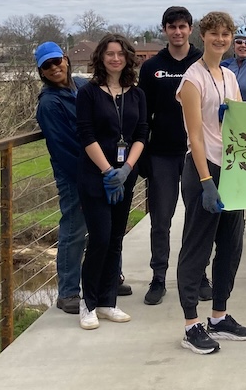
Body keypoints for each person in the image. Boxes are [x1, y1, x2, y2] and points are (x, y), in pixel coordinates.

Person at [176, 11, 246, 355]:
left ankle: (219, 315)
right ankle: (191, 324)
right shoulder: (192, 80)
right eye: (214, 34)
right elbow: (194, 136)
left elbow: (239, 123)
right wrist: (207, 182)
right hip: (203, 169)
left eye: (226, 34)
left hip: (231, 168)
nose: (221, 39)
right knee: (197, 247)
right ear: (202, 36)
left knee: (231, 246)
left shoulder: (228, 76)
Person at [75, 33, 148, 330]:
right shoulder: (89, 93)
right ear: (101, 58)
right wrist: (107, 171)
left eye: (120, 53)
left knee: (117, 239)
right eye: (109, 54)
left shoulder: (137, 94)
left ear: (127, 57)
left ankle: (107, 302)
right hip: (96, 176)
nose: (115, 58)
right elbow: (86, 135)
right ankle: (87, 303)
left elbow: (142, 134)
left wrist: (127, 169)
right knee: (100, 238)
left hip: (124, 176)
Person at [138, 6, 209, 306]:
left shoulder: (203, 63)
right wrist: (142, 154)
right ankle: (158, 277)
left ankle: (199, 275)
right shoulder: (152, 66)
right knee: (161, 220)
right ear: (164, 29)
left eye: (182, 26)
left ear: (190, 29)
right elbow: (143, 115)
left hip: (197, 153)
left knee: (199, 219)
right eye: (172, 27)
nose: (177, 32)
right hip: (163, 154)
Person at [34, 42, 88, 315]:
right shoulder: (49, 103)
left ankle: (109, 279)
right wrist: (88, 174)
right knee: (74, 231)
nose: (54, 68)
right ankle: (68, 292)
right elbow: (63, 147)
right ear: (41, 72)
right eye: (47, 66)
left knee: (104, 226)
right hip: (73, 176)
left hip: (96, 168)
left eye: (57, 61)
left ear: (65, 59)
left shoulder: (80, 86)